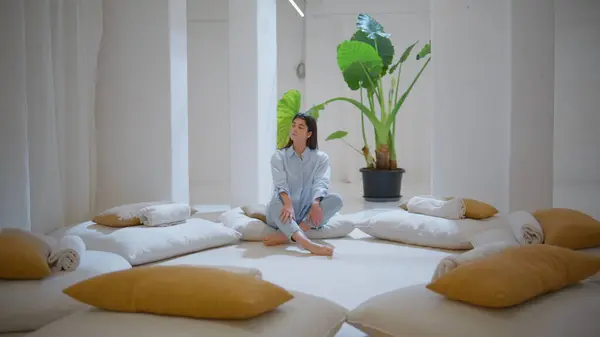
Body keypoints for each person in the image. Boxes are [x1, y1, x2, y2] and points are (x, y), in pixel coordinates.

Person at [263, 112, 343, 256]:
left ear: (309, 134)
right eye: (293, 125)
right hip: (283, 215)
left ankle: (286, 235)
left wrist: (315, 203)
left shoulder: (321, 158)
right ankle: (307, 244)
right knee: (275, 203)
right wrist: (287, 204)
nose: (295, 129)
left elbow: (321, 182)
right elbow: (280, 183)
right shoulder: (279, 156)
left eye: (300, 127)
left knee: (336, 200)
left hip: (308, 214)